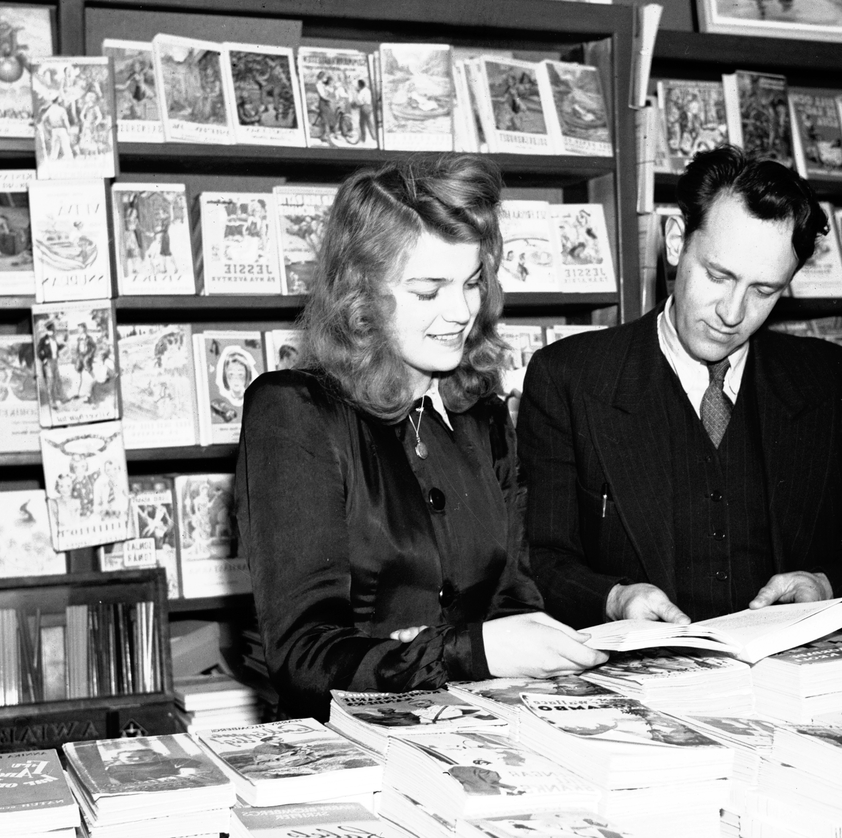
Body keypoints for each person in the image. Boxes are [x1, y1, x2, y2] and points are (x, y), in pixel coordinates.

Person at [235, 155, 605, 721]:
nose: (461, 312)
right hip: (349, 746)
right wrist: (468, 650)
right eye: (429, 291)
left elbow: (514, 598)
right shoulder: (294, 412)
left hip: (477, 734)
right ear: (361, 293)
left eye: (472, 283)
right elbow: (303, 659)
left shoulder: (480, 413)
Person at [516, 145, 842, 638]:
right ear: (676, 242)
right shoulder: (569, 377)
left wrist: (825, 587)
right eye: (718, 276)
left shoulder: (834, 382)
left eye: (763, 291)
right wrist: (614, 599)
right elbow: (539, 562)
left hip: (788, 675)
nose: (732, 313)